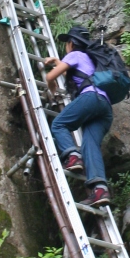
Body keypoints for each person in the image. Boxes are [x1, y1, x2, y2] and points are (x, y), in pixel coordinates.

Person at [43, 27, 112, 206]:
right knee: (90, 144)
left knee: (59, 124)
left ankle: (73, 156)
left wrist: (52, 90)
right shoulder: (90, 59)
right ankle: (100, 190)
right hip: (105, 106)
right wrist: (58, 61)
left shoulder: (74, 55)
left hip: (90, 98)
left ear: (71, 43)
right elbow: (77, 74)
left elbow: (51, 76)